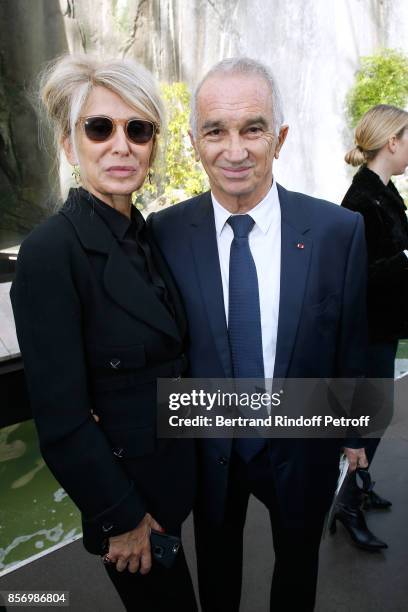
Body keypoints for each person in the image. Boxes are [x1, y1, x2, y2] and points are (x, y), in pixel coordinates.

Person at [147, 57, 368, 612]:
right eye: (215, 131)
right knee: (216, 572)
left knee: (298, 571)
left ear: (281, 137)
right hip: (207, 447)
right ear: (195, 141)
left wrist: (357, 434)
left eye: (253, 128)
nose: (235, 149)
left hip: (301, 441)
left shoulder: (339, 231)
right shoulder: (163, 234)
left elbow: (353, 341)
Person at [10, 55, 197, 612]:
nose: (122, 145)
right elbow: (62, 421)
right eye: (100, 127)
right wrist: (122, 521)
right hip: (130, 511)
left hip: (170, 488)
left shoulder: (146, 235)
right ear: (70, 146)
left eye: (138, 129)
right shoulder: (51, 253)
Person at [335, 104, 408, 550]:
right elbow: (356, 277)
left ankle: (358, 488)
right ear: (392, 142)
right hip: (369, 330)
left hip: (386, 325)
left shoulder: (385, 190)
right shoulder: (361, 200)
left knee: (373, 416)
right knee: (367, 420)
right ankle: (345, 504)